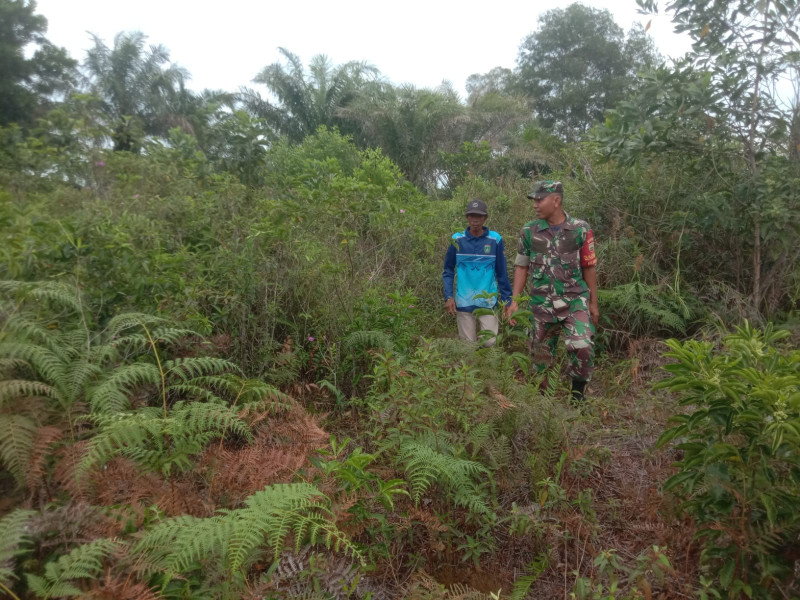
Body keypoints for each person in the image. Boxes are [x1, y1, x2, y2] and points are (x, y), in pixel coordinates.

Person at [506, 181, 599, 402]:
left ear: (556, 201)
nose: (535, 205)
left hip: (574, 301)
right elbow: (521, 266)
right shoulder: (529, 231)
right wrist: (515, 301)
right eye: (534, 200)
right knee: (539, 358)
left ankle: (577, 395)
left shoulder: (580, 229)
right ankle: (543, 401)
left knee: (583, 346)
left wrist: (594, 303)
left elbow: (589, 266)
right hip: (541, 304)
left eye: (540, 200)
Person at [443, 199, 512, 346]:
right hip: (463, 300)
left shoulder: (495, 240)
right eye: (471, 216)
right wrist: (448, 297)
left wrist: (507, 300)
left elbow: (501, 272)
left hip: (488, 301)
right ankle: (473, 366)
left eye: (479, 216)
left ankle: (486, 366)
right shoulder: (457, 239)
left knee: (490, 342)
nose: (475, 220)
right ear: (467, 217)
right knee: (468, 346)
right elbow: (448, 269)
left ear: (485, 218)